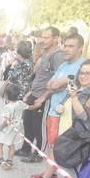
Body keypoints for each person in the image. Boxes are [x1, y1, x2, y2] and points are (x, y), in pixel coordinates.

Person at [23, 33, 85, 178]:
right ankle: (51, 174)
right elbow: (51, 84)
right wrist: (56, 84)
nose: (66, 49)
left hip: (65, 113)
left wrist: (58, 83)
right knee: (52, 145)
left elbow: (58, 84)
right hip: (54, 109)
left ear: (80, 48)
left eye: (71, 46)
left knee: (56, 146)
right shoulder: (64, 65)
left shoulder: (81, 66)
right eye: (66, 45)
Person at [16, 27, 64, 162]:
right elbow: (39, 76)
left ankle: (38, 154)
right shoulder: (45, 53)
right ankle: (26, 149)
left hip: (44, 97)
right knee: (27, 123)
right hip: (34, 93)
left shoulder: (57, 55)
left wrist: (43, 98)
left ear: (56, 39)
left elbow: (56, 80)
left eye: (47, 37)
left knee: (39, 127)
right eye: (42, 37)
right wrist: (30, 92)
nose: (43, 40)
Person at [0, 83, 30, 169]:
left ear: (6, 95)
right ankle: (10, 161)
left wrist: (1, 127)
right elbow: (27, 106)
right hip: (16, 128)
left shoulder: (8, 107)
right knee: (11, 144)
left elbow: (6, 120)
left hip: (8, 129)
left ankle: (1, 160)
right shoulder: (20, 103)